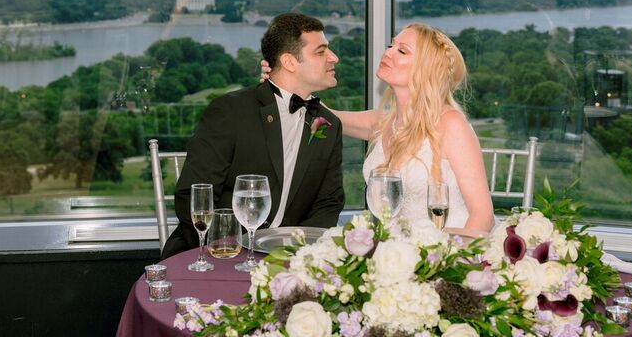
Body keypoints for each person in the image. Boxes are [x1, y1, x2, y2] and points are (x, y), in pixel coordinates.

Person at [263, 23, 494, 232]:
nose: (388, 52)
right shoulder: (383, 123)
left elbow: (483, 217)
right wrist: (284, 79)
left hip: (451, 256)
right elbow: (317, 113)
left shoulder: (450, 123)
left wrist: (442, 266)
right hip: (398, 257)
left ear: (426, 69)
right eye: (391, 45)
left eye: (401, 51)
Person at [161, 13, 344, 259]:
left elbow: (328, 204)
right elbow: (194, 195)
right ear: (289, 62)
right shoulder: (230, 111)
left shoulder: (329, 125)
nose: (334, 58)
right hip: (216, 253)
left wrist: (301, 257)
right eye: (321, 51)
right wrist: (224, 249)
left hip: (289, 261)